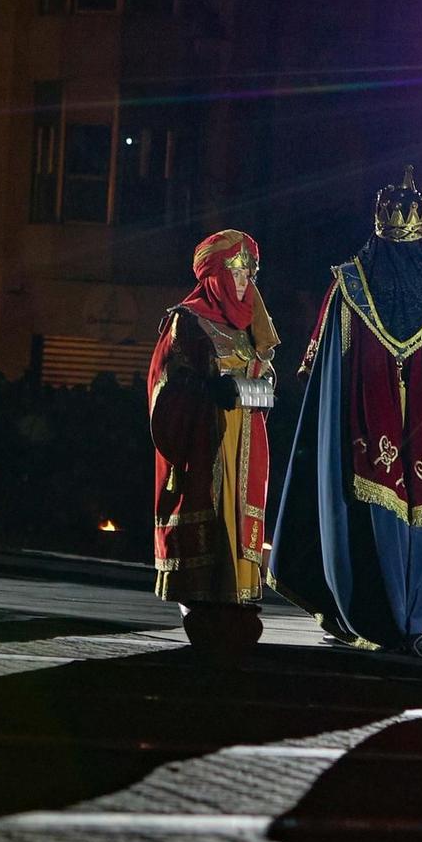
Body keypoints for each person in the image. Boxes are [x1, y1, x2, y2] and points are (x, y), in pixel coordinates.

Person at [268, 167, 422, 659]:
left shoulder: (349, 286)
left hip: (366, 436)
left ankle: (377, 611)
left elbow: (320, 374)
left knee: (367, 511)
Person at [149, 230, 279, 648]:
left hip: (248, 441)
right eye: (235, 271)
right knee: (211, 509)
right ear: (215, 274)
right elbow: (164, 387)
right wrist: (208, 395)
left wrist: (251, 391)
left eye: (249, 271)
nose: (244, 281)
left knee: (243, 518)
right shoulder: (186, 321)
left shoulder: (252, 322)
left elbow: (269, 383)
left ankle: (238, 595)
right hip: (208, 442)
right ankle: (203, 594)